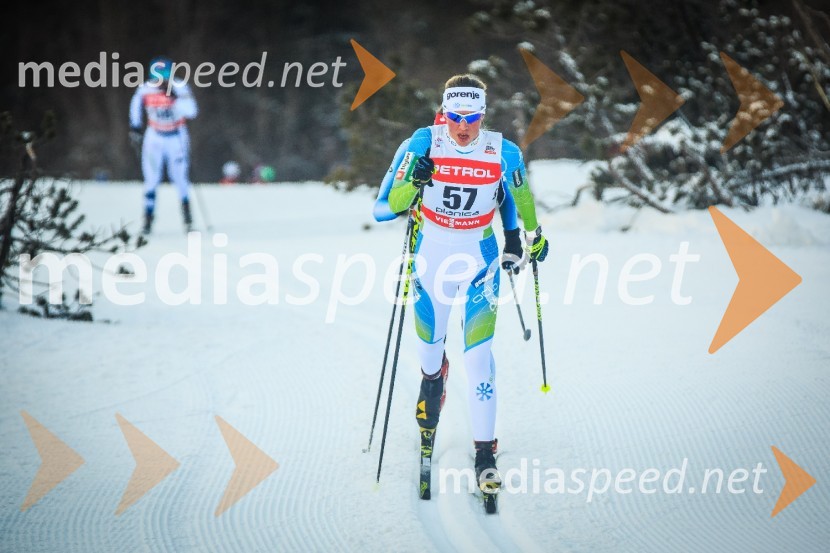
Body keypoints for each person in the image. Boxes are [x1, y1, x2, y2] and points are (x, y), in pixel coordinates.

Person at [373, 75, 549, 496]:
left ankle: (485, 451)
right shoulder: (422, 143)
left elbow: (517, 198)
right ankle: (433, 386)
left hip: (479, 264)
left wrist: (531, 234)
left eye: (471, 117)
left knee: (479, 358)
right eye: (455, 116)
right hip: (430, 261)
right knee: (430, 356)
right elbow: (384, 209)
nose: (463, 126)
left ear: (483, 115)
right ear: (444, 112)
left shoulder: (503, 151)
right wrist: (412, 182)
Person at [129, 56, 198, 234]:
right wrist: (135, 126)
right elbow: (135, 105)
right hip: (155, 136)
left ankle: (187, 218)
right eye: (157, 74)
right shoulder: (145, 89)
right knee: (151, 179)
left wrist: (175, 98)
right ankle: (148, 219)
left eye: (165, 74)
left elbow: (191, 111)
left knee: (180, 177)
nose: (161, 79)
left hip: (176, 136)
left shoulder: (180, 86)